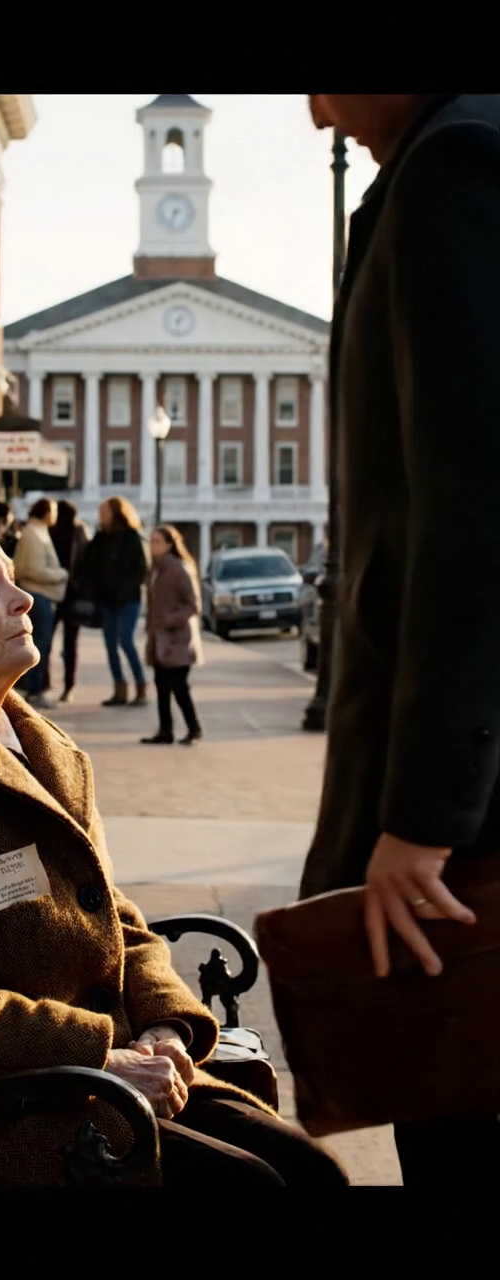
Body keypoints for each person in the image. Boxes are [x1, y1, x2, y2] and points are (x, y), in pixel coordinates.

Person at [0, 514, 347, 1189]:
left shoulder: (44, 747)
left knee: (312, 1171)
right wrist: (100, 1057)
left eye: (13, 578)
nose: (23, 599)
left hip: (89, 1079)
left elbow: (115, 917)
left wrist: (165, 1024)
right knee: (259, 1185)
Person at [299, 94, 500, 1186]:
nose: (312, 105)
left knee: (455, 1111)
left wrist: (424, 816)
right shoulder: (436, 160)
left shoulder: (459, 165)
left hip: (466, 826)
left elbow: (473, 514)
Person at [84, 496, 150, 707]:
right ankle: (119, 690)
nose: (100, 515)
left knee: (126, 640)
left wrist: (125, 589)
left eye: (104, 511)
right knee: (110, 645)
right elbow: (90, 565)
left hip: (128, 599)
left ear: (115, 512)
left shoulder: (132, 537)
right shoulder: (100, 538)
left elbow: (141, 570)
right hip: (107, 600)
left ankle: (141, 687)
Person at [141, 524, 204, 746]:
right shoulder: (155, 569)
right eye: (152, 541)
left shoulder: (179, 569)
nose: (153, 546)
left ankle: (194, 729)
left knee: (180, 687)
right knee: (161, 686)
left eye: (158, 541)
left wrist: (168, 620)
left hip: (178, 640)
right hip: (159, 639)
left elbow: (193, 605)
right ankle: (165, 730)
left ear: (169, 544)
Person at [12, 497, 67, 708]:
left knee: (40, 645)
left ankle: (34, 688)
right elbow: (33, 569)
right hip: (38, 594)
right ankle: (34, 690)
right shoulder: (33, 534)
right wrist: (61, 574)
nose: (55, 515)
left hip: (44, 594)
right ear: (45, 512)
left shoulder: (39, 531)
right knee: (38, 646)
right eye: (53, 510)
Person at [44, 499, 89, 704]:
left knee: (63, 643)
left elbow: (86, 560)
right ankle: (55, 683)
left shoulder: (72, 531)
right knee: (52, 642)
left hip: (67, 593)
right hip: (59, 591)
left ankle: (65, 685)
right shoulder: (53, 532)